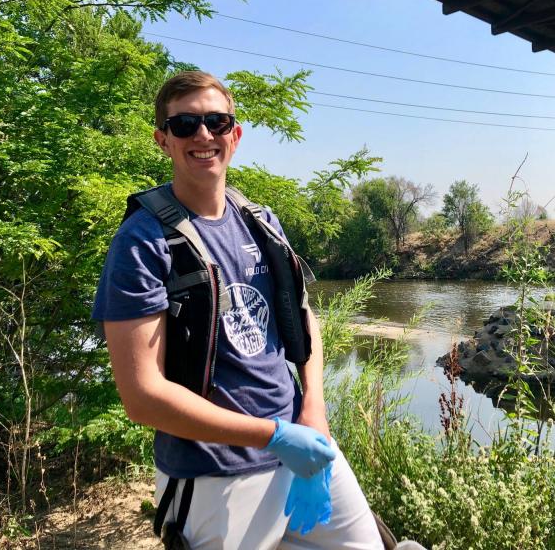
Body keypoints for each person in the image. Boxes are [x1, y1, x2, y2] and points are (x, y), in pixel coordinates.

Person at [93, 71, 421, 550]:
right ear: (162, 140)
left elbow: (303, 320)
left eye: (216, 121)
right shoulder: (142, 244)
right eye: (185, 125)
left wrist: (314, 412)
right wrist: (272, 436)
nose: (203, 135)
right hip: (212, 477)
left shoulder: (260, 221)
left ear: (235, 134)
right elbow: (142, 396)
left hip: (303, 450)